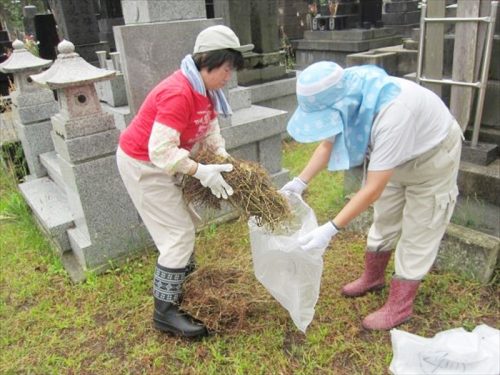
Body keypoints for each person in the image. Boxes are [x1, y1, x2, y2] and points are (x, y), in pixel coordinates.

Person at [281, 61, 462, 330]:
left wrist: (329, 229)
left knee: (420, 227)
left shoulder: (392, 114)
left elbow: (373, 188)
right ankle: (373, 277)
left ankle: (400, 306)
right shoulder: (346, 94)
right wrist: (298, 182)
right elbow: (328, 144)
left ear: (338, 107)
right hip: (393, 158)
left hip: (431, 157)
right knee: (385, 216)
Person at [116, 25, 253, 338]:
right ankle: (164, 313)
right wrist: (200, 171)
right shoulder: (180, 92)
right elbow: (160, 150)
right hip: (143, 163)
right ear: (207, 60)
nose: (228, 76)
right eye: (227, 68)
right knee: (177, 234)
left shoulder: (206, 92)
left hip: (160, 161)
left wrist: (222, 158)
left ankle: (182, 285)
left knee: (183, 225)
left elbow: (209, 128)